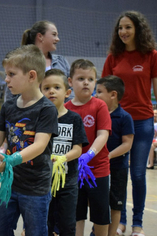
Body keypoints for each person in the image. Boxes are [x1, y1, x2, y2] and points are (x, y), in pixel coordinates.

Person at [102, 11, 157, 236]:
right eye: (120, 28)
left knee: (138, 174)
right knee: (118, 173)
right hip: (117, 121)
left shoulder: (152, 56)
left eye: (128, 27)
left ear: (138, 29)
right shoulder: (113, 57)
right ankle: (120, 221)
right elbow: (102, 91)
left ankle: (137, 224)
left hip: (142, 121)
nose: (123, 32)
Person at [0, 44, 58, 236]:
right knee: (0, 230)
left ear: (31, 76)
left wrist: (9, 161)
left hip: (36, 188)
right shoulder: (8, 106)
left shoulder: (46, 109)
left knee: (35, 232)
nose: (6, 79)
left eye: (11, 74)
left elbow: (40, 146)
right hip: (9, 184)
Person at [64, 59, 112, 236]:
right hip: (72, 170)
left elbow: (103, 134)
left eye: (90, 79)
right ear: (70, 81)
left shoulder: (100, 105)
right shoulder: (65, 109)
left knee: (100, 213)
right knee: (76, 214)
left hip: (97, 169)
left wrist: (89, 154)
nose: (86, 82)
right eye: (81, 78)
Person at [41, 69, 88, 236]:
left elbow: (78, 149)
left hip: (67, 183)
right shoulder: (39, 118)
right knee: (44, 224)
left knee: (67, 225)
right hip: (43, 183)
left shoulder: (74, 119)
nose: (51, 91)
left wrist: (63, 158)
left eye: (56, 87)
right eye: (46, 88)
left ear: (67, 92)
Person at [95, 75, 135, 236]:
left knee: (116, 204)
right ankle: (98, 230)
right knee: (98, 201)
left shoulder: (124, 117)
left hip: (117, 168)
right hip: (97, 168)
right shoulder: (98, 113)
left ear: (113, 94)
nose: (95, 95)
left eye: (99, 92)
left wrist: (108, 156)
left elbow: (127, 144)